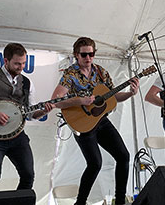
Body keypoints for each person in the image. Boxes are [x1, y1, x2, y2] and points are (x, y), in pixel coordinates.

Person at [51, 36, 139, 205]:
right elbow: (56, 100)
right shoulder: (71, 74)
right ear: (76, 55)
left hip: (101, 121)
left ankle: (119, 200)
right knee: (95, 164)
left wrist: (130, 93)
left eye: (91, 54)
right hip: (82, 123)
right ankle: (80, 202)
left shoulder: (101, 72)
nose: (88, 58)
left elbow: (113, 97)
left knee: (123, 156)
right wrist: (80, 101)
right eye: (84, 55)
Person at [0, 43, 55, 192]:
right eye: (17, 63)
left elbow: (32, 114)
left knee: (28, 176)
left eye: (24, 63)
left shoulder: (27, 82)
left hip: (18, 138)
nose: (21, 67)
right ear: (6, 61)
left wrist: (45, 111)